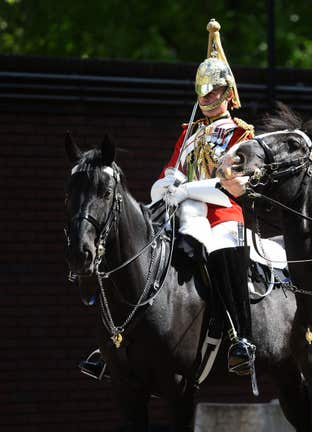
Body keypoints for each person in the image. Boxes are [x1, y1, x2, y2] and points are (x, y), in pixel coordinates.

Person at [79, 19, 256, 380]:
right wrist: (168, 184)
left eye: (213, 92)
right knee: (135, 253)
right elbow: (167, 174)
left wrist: (187, 188)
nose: (206, 99)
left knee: (222, 256)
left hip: (222, 213)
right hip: (182, 212)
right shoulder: (188, 134)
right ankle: (114, 337)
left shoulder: (241, 133)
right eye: (202, 93)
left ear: (227, 94)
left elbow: (234, 185)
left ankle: (240, 336)